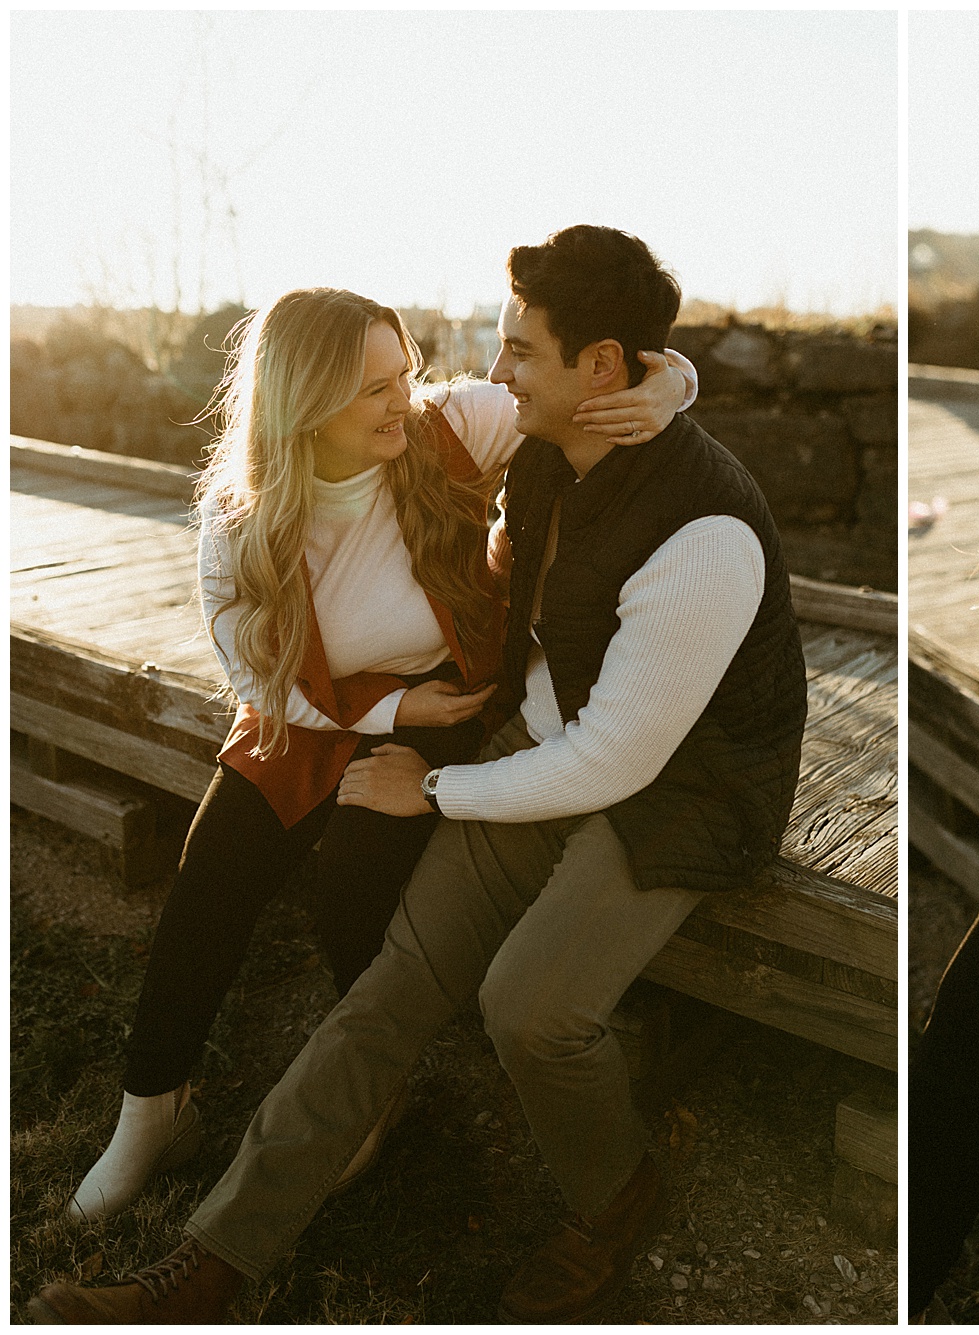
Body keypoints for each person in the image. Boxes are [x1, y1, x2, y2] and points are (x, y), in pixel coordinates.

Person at [33, 223, 808, 1325]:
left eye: (518, 353)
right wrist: (428, 729)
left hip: (690, 786)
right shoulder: (536, 458)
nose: (486, 377)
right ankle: (209, 1267)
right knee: (388, 986)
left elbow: (620, 759)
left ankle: (616, 1198)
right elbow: (277, 668)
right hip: (551, 738)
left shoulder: (707, 532)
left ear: (597, 369)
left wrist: (436, 785)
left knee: (528, 1008)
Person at [62, 286, 698, 1224]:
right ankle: (153, 1110)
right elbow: (258, 679)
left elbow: (598, 386)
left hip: (448, 699)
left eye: (404, 373)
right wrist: (385, 707)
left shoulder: (449, 430)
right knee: (213, 870)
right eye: (374, 389)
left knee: (357, 872)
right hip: (319, 708)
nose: (406, 398)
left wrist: (672, 382)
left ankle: (372, 1082)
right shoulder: (239, 525)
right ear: (304, 402)